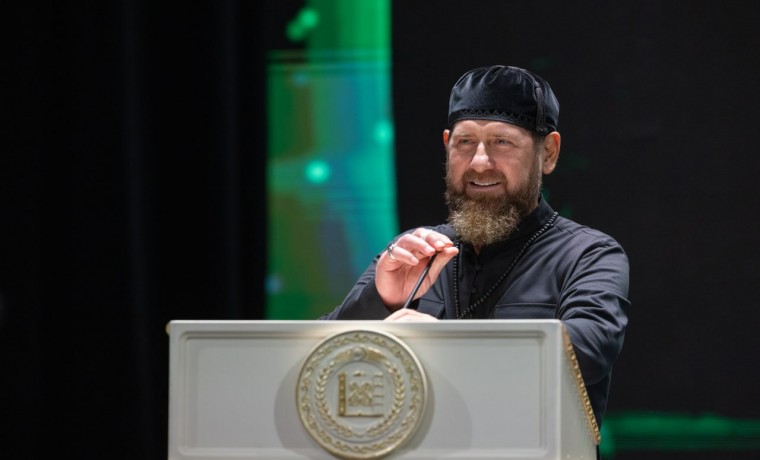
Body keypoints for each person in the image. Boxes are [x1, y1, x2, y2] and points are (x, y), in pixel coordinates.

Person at [321, 65, 630, 432]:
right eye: (465, 142)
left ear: (548, 153)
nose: (480, 163)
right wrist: (380, 299)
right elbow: (319, 360)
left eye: (502, 142)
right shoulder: (414, 253)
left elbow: (586, 351)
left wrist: (449, 345)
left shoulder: (589, 255)